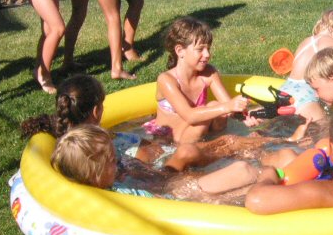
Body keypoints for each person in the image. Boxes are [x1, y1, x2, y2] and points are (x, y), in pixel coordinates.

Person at [20, 73, 270, 170]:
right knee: (228, 143)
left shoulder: (76, 139)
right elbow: (138, 169)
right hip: (166, 169)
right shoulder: (98, 145)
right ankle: (277, 141)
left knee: (224, 142)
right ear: (96, 110)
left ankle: (264, 142)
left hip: (165, 158)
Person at [51, 124, 267, 204]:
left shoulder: (111, 181)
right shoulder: (118, 197)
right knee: (243, 172)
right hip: (178, 198)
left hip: (174, 189)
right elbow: (161, 206)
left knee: (240, 170)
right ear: (94, 174)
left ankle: (267, 174)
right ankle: (272, 177)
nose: (116, 160)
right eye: (110, 160)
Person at [151, 17, 256, 144]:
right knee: (214, 108)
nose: (207, 54)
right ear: (180, 51)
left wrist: (247, 115)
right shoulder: (167, 80)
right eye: (200, 49)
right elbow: (190, 116)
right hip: (170, 142)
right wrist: (227, 107)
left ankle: (219, 143)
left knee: (216, 107)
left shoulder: (209, 73)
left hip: (199, 135)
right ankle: (221, 146)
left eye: (208, 48)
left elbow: (229, 106)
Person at [279, 9, 333, 140]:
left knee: (284, 133)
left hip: (286, 90)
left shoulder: (306, 41)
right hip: (306, 94)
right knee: (324, 136)